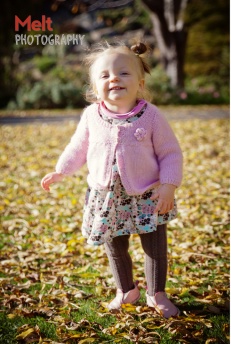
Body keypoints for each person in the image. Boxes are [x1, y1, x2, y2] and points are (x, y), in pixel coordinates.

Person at [41, 41, 183, 317]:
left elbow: (170, 153)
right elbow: (77, 147)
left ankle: (157, 293)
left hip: (147, 195)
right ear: (95, 88)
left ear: (140, 83)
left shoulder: (151, 116)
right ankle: (126, 289)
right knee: (115, 247)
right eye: (104, 75)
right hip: (106, 196)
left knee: (154, 247)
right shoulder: (91, 116)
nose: (114, 78)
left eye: (123, 73)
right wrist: (62, 170)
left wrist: (169, 185)